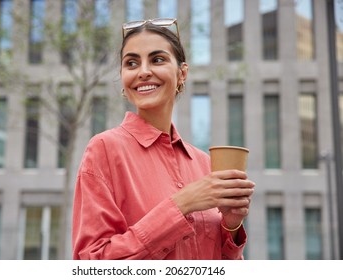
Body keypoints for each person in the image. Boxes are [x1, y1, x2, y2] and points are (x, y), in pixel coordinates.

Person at [72, 18, 255, 260]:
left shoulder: (203, 164)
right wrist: (181, 204)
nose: (143, 71)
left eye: (157, 60)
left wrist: (230, 226)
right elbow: (92, 261)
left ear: (182, 73)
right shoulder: (105, 149)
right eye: (131, 63)